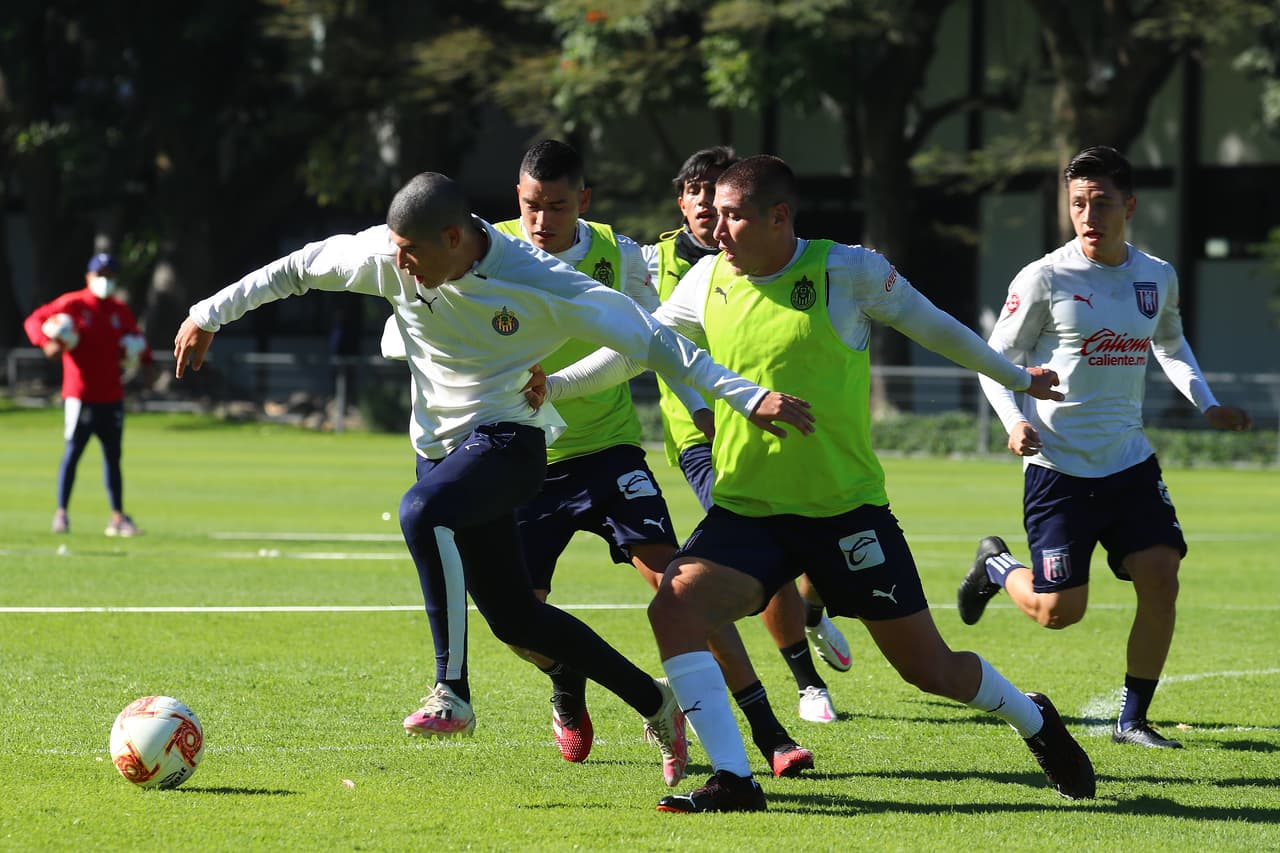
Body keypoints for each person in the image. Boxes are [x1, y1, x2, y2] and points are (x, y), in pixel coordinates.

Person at [173, 170, 816, 793]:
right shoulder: (387, 252)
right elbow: (297, 267)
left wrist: (745, 394)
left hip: (513, 441)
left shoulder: (539, 280)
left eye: (412, 252)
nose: (400, 264)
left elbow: (655, 340)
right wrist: (208, 312)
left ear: (454, 238)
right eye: (394, 249)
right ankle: (657, 704)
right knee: (517, 619)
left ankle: (451, 690)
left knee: (422, 512)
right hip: (443, 453)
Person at [546, 155, 1095, 812]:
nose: (715, 229)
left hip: (845, 513)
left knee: (930, 669)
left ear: (779, 217)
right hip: (748, 510)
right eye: (712, 213)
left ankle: (1034, 719)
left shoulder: (848, 270)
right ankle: (735, 776)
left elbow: (936, 325)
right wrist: (553, 384)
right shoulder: (705, 279)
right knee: (674, 605)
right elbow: (638, 347)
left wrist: (1016, 377)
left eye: (733, 215)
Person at [492, 139, 814, 777]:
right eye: (531, 206)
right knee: (515, 620)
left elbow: (663, 335)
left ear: (582, 201)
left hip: (610, 453)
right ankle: (565, 673)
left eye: (556, 206)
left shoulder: (623, 256)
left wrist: (712, 402)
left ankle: (769, 732)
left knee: (682, 588)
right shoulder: (487, 248)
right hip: (526, 457)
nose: (540, 221)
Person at [956, 145, 1252, 750]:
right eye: (1078, 204)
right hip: (1058, 467)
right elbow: (994, 362)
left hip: (1129, 462)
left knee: (1161, 577)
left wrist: (1207, 403)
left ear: (1130, 207)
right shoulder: (1044, 276)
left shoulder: (1156, 275)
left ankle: (1132, 719)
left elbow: (1170, 345)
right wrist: (1014, 421)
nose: (1089, 216)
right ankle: (995, 564)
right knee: (1058, 612)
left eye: (1102, 203)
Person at [643, 145, 852, 725]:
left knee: (795, 538)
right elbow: (647, 345)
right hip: (701, 440)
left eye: (723, 197)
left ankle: (812, 615)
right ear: (683, 199)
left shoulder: (761, 258)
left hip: (776, 423)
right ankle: (806, 684)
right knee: (753, 551)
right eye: (700, 194)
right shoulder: (649, 262)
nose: (711, 209)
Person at [23, 252, 151, 537]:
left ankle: (117, 517)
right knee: (73, 453)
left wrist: (146, 361)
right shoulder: (73, 304)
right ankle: (61, 513)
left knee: (113, 458)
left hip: (112, 395)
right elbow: (34, 321)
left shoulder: (119, 310)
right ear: (88, 277)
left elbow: (137, 342)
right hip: (80, 395)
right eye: (99, 275)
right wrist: (46, 343)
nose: (104, 281)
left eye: (109, 276)